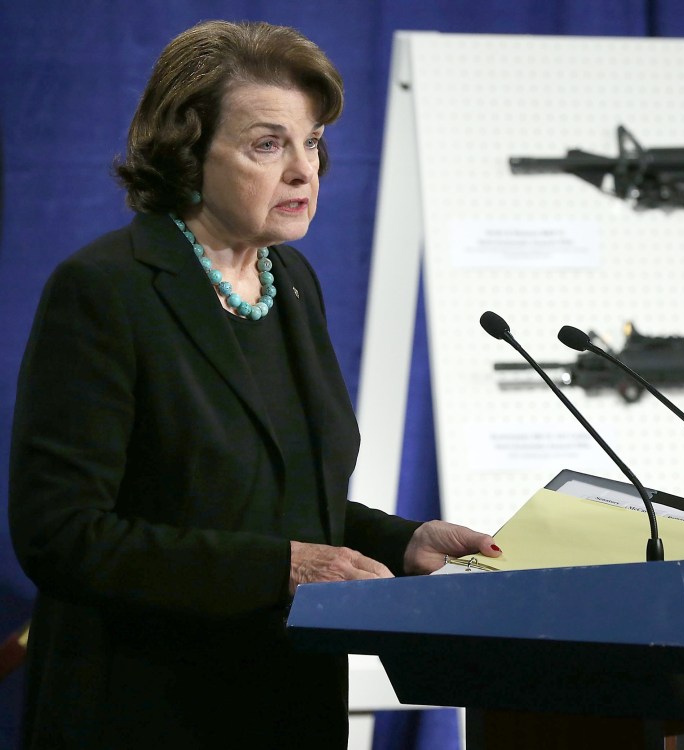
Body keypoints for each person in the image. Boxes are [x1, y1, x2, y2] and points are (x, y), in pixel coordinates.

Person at [7, 20, 500, 749]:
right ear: (187, 153)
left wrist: (404, 543)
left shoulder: (290, 282)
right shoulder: (106, 290)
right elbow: (64, 536)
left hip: (289, 700)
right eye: (269, 144)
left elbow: (279, 500)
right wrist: (283, 569)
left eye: (312, 141)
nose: (304, 170)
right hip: (148, 708)